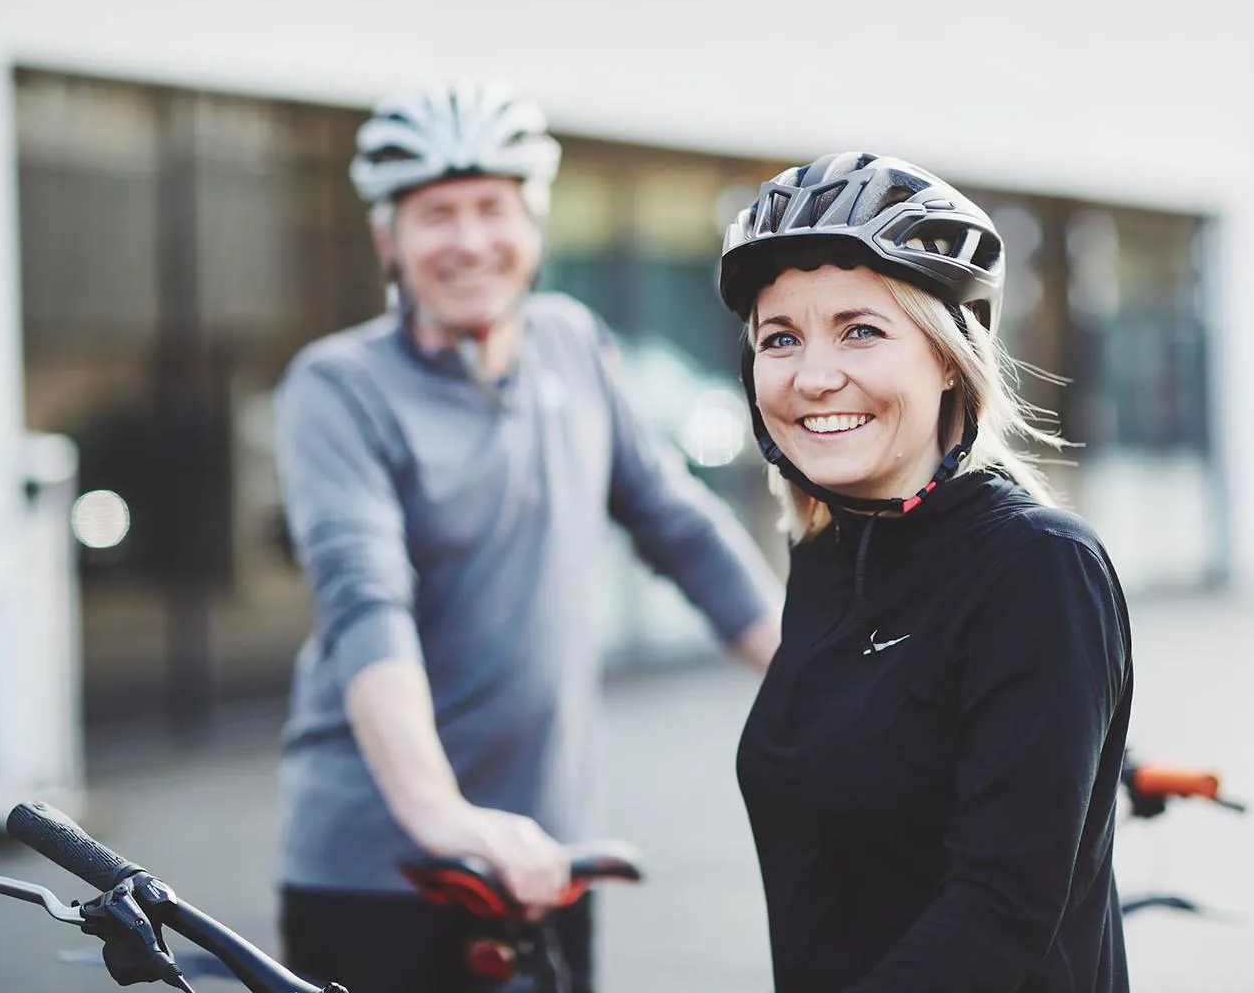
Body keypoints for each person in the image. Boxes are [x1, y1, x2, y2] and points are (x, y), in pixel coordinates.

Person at [272, 78, 783, 993]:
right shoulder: (338, 387)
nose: (468, 241)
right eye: (435, 214)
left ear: (532, 222)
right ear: (388, 237)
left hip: (547, 850)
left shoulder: (572, 344)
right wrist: (440, 814)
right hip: (377, 859)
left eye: (491, 208)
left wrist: (817, 685)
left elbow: (677, 525)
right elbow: (363, 598)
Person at [719, 152, 1134, 992]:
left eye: (861, 330)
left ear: (949, 357)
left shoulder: (1039, 566)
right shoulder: (827, 554)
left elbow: (1000, 908)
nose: (813, 376)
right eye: (780, 338)